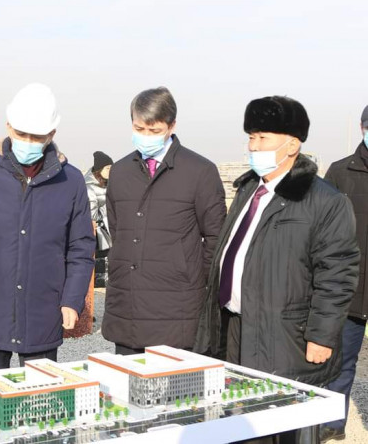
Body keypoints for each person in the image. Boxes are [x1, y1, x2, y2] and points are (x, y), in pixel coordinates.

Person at [194, 96, 359, 443]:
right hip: (236, 327)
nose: (253, 146)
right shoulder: (248, 190)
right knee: (238, 422)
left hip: (286, 335)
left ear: (292, 144)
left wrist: (321, 336)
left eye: (263, 138)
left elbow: (337, 274)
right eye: (251, 137)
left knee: (277, 425)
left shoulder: (323, 200)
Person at [0, 83, 95, 369]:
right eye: (20, 133)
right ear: (8, 126)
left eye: (37, 136)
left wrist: (72, 299)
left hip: (44, 311)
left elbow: (80, 247)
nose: (28, 141)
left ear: (52, 134)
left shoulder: (71, 181)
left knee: (40, 394)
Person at [102, 87, 226, 354]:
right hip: (127, 306)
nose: (146, 136)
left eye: (154, 130)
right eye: (139, 129)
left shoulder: (199, 171)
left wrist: (191, 277)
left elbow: (216, 238)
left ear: (172, 126)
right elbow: (118, 230)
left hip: (177, 308)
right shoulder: (120, 172)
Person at [319, 106, 368, 442]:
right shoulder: (340, 172)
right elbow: (320, 228)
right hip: (351, 286)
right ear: (363, 128)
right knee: (341, 360)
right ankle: (333, 423)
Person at [84, 151, 113, 287]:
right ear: (99, 169)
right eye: (107, 168)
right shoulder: (89, 188)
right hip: (98, 233)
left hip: (110, 229)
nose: (110, 171)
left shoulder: (110, 184)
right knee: (100, 261)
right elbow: (91, 215)